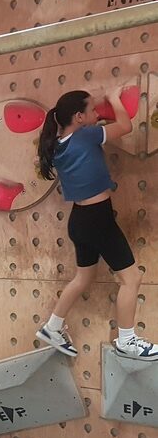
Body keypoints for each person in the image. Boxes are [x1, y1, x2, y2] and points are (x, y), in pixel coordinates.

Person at [35, 87, 158, 361]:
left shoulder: (57, 145)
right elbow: (125, 126)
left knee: (83, 278)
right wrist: (113, 99)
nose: (98, 113)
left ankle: (52, 327)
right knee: (132, 279)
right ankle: (127, 341)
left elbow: (86, 128)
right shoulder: (86, 136)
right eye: (92, 110)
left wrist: (96, 110)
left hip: (80, 221)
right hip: (98, 220)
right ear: (79, 117)